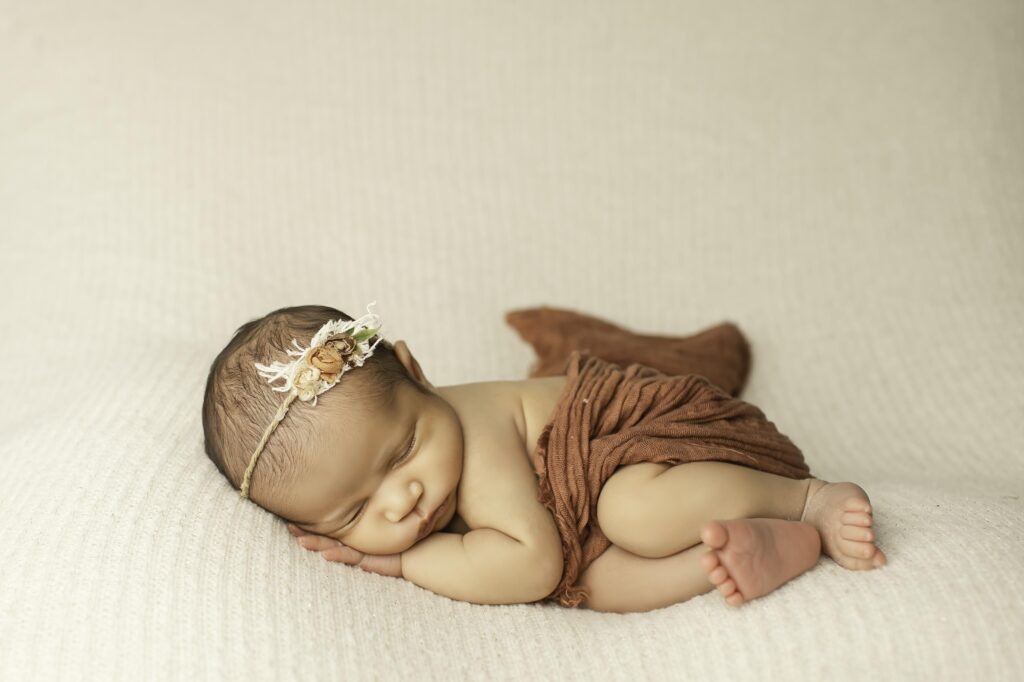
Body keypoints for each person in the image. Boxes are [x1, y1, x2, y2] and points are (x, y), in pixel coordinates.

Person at [202, 302, 885, 613]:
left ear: (418, 372)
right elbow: (562, 568)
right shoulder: (420, 466)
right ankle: (751, 551)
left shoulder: (475, 433)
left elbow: (530, 565)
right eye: (355, 510)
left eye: (405, 449)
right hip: (580, 516)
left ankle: (806, 500)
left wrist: (405, 559)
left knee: (633, 512)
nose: (402, 499)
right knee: (603, 586)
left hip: (649, 438)